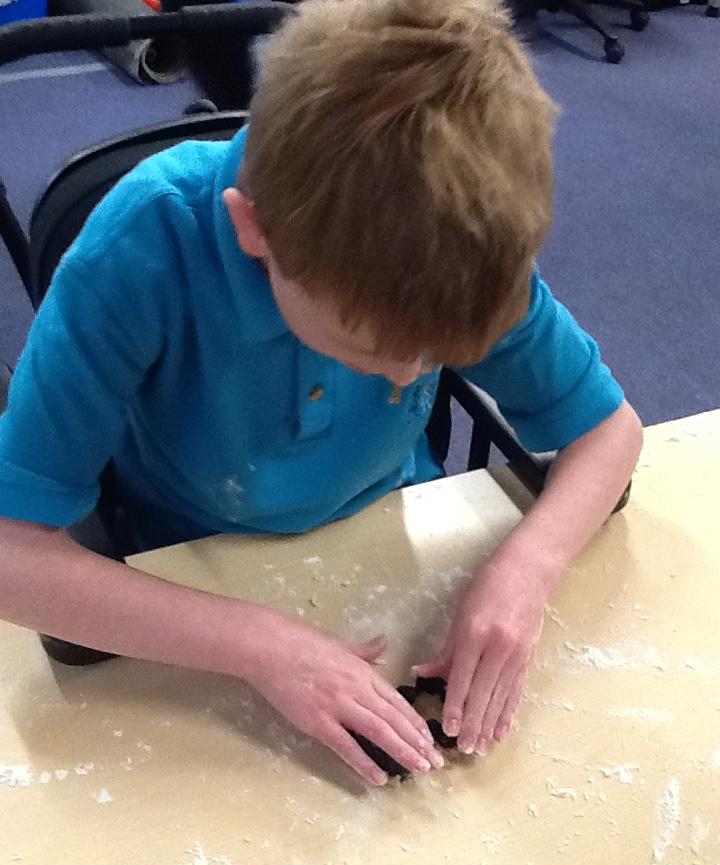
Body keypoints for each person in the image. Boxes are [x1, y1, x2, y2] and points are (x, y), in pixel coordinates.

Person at [0, 0, 643, 786]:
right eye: (374, 349)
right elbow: (11, 556)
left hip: (385, 539)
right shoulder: (139, 251)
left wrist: (525, 572)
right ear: (255, 232)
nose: (411, 376)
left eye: (439, 356)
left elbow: (612, 431)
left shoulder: (457, 247)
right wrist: (261, 647)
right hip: (185, 566)